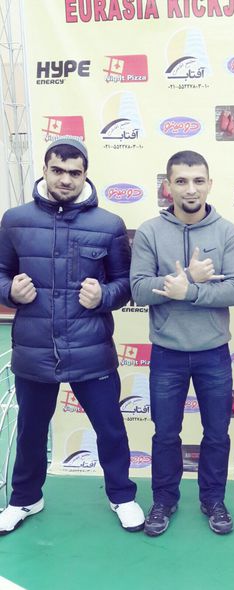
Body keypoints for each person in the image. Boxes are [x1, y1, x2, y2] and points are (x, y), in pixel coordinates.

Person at [0, 138, 144, 534]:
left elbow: (124, 284)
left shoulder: (108, 225)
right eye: (58, 170)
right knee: (31, 430)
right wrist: (10, 292)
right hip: (35, 347)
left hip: (91, 348)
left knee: (110, 428)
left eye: (74, 173)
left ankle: (122, 496)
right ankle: (25, 498)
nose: (66, 179)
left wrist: (104, 296)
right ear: (45, 170)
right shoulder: (15, 220)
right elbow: (1, 273)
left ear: (85, 175)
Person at [130, 150, 234, 536]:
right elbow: (138, 289)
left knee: (216, 433)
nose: (190, 189)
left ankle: (213, 499)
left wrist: (190, 291)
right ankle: (164, 500)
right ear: (168, 186)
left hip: (214, 353)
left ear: (209, 184)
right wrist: (183, 281)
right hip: (167, 353)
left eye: (198, 181)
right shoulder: (150, 231)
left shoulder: (227, 232)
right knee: (165, 434)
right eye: (181, 181)